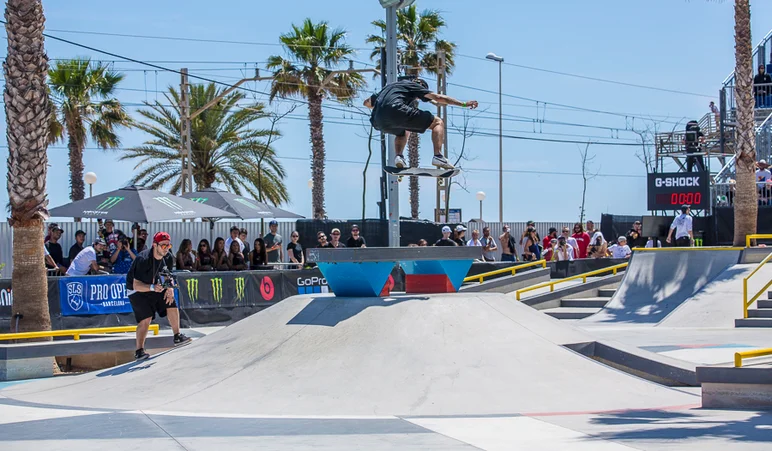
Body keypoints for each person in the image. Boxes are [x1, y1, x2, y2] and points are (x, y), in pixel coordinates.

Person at [364, 77, 478, 170]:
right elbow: (438, 97)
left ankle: (399, 157)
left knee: (402, 131)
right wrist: (463, 104)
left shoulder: (390, 87)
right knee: (437, 122)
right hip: (396, 110)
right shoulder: (414, 86)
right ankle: (438, 156)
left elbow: (367, 103)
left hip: (377, 121)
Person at [126, 232, 190, 360]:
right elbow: (136, 285)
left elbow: (167, 276)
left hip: (154, 285)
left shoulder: (168, 257)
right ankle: (139, 350)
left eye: (168, 245)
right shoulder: (143, 259)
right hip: (137, 289)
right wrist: (151, 288)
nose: (166, 248)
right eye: (163, 245)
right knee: (146, 317)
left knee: (170, 301)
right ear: (155, 245)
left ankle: (177, 336)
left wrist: (170, 287)